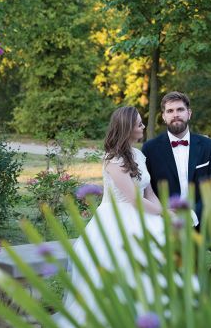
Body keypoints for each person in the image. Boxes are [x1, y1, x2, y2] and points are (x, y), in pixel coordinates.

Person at [54, 106, 166, 327]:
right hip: (117, 221)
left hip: (144, 217)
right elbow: (133, 199)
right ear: (126, 128)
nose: (143, 126)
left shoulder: (139, 154)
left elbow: (149, 192)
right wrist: (165, 213)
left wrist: (163, 216)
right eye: (138, 124)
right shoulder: (113, 160)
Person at [142, 91, 211, 229]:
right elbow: (147, 191)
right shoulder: (150, 149)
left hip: (204, 217)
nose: (175, 115)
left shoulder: (207, 145)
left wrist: (193, 215)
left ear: (189, 113)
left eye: (180, 109)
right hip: (166, 223)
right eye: (170, 111)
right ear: (163, 116)